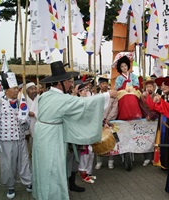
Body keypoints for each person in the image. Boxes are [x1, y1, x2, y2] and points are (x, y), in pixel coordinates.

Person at [32, 61, 117, 200]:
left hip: (42, 136)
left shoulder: (45, 96)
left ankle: (43, 193)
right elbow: (84, 104)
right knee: (53, 168)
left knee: (43, 167)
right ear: (60, 83)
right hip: (52, 137)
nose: (71, 84)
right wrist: (107, 95)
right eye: (68, 81)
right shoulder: (61, 98)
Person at [0, 71, 32, 199]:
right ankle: (10, 186)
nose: (17, 90)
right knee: (8, 164)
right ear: (6, 90)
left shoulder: (22, 103)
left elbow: (27, 122)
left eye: (17, 88)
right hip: (6, 140)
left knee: (24, 161)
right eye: (14, 88)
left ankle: (28, 182)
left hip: (20, 138)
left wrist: (25, 121)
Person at [148, 76, 169, 169]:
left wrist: (161, 102)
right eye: (162, 86)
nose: (163, 87)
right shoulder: (163, 96)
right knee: (163, 143)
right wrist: (152, 100)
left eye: (165, 85)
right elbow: (158, 109)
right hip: (162, 123)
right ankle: (164, 164)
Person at [95, 75, 118, 170]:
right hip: (98, 123)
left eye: (106, 83)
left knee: (111, 142)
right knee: (98, 142)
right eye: (102, 84)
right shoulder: (96, 97)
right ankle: (99, 161)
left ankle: (110, 161)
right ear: (99, 85)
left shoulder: (113, 96)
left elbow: (114, 109)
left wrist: (108, 120)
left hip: (110, 122)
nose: (104, 85)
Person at [114, 55, 142, 120]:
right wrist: (124, 87)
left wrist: (132, 88)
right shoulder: (119, 78)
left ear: (128, 66)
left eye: (125, 66)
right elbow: (118, 87)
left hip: (133, 89)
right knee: (125, 95)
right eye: (122, 66)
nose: (124, 68)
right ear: (120, 68)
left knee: (133, 96)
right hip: (123, 91)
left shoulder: (133, 76)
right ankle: (124, 115)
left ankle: (135, 114)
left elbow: (136, 84)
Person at [140, 77, 160, 166]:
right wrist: (146, 116)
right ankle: (146, 158)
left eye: (151, 86)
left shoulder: (156, 96)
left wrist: (151, 115)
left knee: (154, 140)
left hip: (154, 120)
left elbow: (157, 109)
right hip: (145, 120)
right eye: (147, 87)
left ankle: (153, 157)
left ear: (154, 87)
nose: (149, 88)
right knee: (145, 139)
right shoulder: (142, 97)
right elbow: (141, 107)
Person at [25, 82, 39, 152]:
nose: (34, 91)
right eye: (31, 89)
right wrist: (26, 132)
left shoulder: (40, 98)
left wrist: (34, 114)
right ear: (27, 91)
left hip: (39, 127)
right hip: (29, 128)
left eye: (35, 89)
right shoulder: (24, 100)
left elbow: (44, 112)